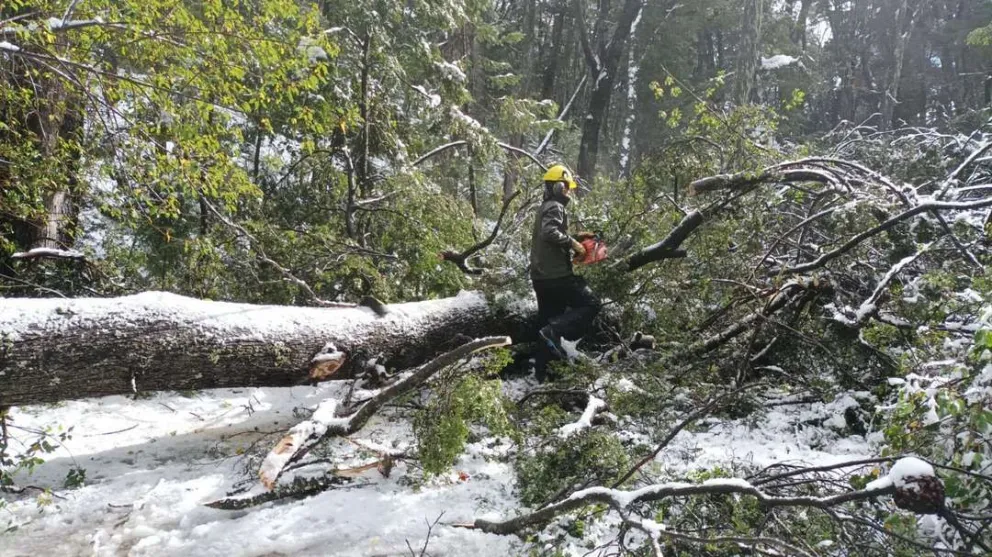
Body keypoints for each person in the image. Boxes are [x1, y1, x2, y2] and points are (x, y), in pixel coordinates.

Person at [529, 164, 601, 381]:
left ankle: (543, 376)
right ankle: (554, 331)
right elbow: (550, 232)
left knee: (547, 322)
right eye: (567, 187)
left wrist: (577, 238)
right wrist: (573, 243)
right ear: (559, 187)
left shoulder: (545, 207)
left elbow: (551, 235)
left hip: (541, 277)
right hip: (556, 275)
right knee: (591, 303)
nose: (568, 191)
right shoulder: (555, 207)